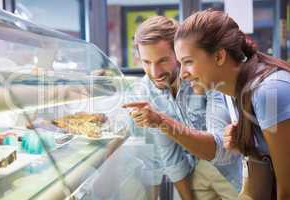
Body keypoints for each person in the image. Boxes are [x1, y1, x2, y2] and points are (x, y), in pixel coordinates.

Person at [173, 9, 290, 200]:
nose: (182, 74)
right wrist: (248, 142)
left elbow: (287, 191)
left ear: (219, 56)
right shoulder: (231, 92)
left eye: (188, 62)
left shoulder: (269, 92)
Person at [124, 15, 242, 200]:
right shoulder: (146, 91)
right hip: (197, 171)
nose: (155, 73)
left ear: (178, 54)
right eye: (146, 62)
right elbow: (171, 156)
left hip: (234, 167)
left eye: (163, 60)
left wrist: (161, 121)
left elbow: (220, 148)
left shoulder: (205, 74)